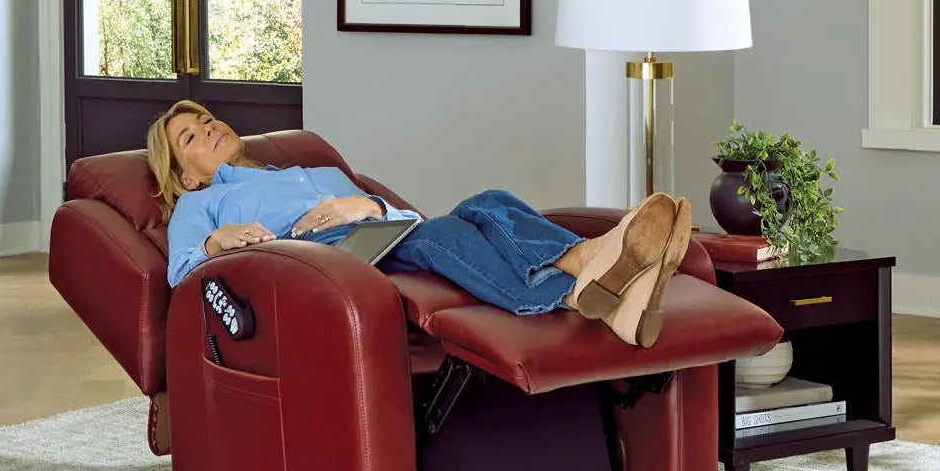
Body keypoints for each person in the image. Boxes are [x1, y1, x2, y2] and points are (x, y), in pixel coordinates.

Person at [146, 100, 692, 347]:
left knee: (487, 201)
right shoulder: (201, 205)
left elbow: (407, 219)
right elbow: (183, 278)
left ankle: (599, 287)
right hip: (315, 265)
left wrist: (369, 207)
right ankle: (592, 264)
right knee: (440, 236)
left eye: (208, 119)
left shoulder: (312, 170)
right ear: (186, 176)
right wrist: (218, 241)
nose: (209, 127)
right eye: (191, 137)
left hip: (373, 236)